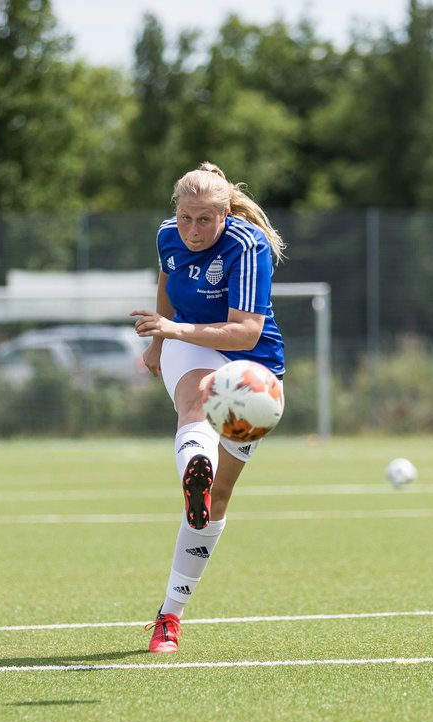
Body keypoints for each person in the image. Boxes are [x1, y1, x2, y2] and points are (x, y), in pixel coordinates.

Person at [129, 162, 287, 654]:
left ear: (225, 213)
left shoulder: (247, 243)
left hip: (253, 366)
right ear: (175, 211)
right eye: (185, 218)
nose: (193, 231)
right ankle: (195, 462)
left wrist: (171, 330)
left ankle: (170, 610)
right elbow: (166, 280)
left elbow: (246, 331)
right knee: (196, 401)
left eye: (205, 220)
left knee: (214, 503)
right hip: (189, 347)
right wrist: (161, 340)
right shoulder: (166, 235)